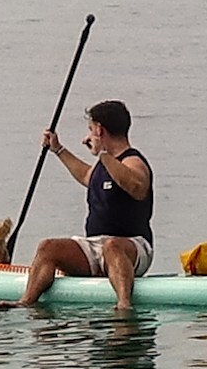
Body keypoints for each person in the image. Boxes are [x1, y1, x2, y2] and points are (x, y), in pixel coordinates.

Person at [20, 99, 154, 311]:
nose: (88, 136)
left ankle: (124, 305)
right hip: (95, 245)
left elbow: (136, 186)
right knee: (48, 247)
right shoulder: (104, 164)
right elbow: (85, 174)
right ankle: (26, 302)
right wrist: (58, 149)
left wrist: (104, 154)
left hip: (133, 247)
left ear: (100, 130)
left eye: (91, 130)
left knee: (113, 246)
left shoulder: (133, 161)